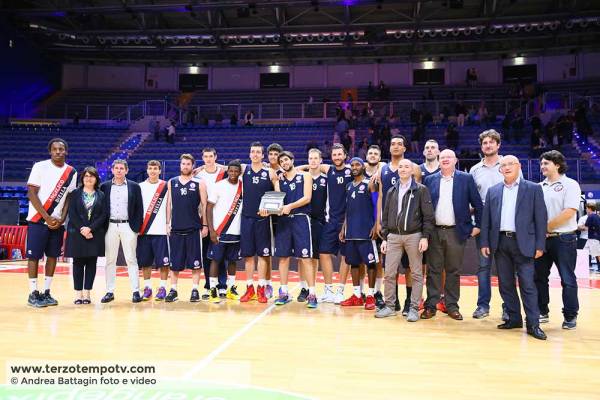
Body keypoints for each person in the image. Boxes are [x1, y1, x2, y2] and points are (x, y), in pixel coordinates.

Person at [480, 155, 548, 340]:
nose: (507, 167)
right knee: (505, 284)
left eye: (511, 164)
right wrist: (484, 242)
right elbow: (486, 220)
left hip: (524, 243)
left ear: (519, 166)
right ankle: (514, 318)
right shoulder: (493, 191)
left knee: (528, 284)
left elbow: (541, 219)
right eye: (503, 165)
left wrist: (540, 244)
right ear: (500, 169)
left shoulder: (533, 188)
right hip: (500, 242)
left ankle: (533, 324)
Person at [421, 149, 483, 321]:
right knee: (433, 270)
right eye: (442, 157)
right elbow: (424, 207)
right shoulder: (430, 179)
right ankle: (431, 305)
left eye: (449, 157)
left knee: (453, 271)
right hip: (434, 232)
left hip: (456, 232)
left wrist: (478, 226)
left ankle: (451, 306)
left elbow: (478, 204)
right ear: (438, 160)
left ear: (456, 160)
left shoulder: (466, 178)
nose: (445, 159)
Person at [376, 159, 434, 321]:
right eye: (400, 167)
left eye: (406, 167)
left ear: (412, 170)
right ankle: (390, 306)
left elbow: (428, 216)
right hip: (393, 237)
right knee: (389, 273)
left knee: (416, 274)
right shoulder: (392, 191)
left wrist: (425, 237)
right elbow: (386, 216)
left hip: (414, 236)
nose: (402, 169)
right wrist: (385, 238)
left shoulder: (421, 190)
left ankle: (414, 308)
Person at [26, 138, 78, 307]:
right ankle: (33, 293)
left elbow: (69, 197)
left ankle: (46, 292)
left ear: (66, 151)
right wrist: (47, 217)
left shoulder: (72, 172)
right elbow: (31, 193)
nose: (57, 152)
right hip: (37, 220)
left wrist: (62, 218)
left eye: (61, 149)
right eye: (54, 149)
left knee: (53, 256)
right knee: (34, 256)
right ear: (50, 151)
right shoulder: (39, 166)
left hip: (57, 223)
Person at [375, 135, 422, 315]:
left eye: (399, 144)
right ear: (389, 148)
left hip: (410, 229)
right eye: (393, 144)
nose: (396, 146)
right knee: (390, 269)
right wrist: (378, 221)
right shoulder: (383, 169)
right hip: (391, 228)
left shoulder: (413, 168)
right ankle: (392, 304)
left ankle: (410, 302)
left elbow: (418, 197)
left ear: (404, 148)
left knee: (410, 268)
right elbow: (380, 196)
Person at [299, 144, 351, 304]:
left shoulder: (351, 170)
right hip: (331, 220)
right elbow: (306, 167)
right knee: (323, 253)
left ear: (345, 155)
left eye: (339, 154)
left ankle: (340, 291)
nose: (337, 157)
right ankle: (328, 290)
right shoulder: (329, 170)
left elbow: (370, 168)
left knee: (346, 256)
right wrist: (305, 166)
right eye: (334, 155)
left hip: (348, 220)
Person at [535, 150, 581, 329]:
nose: (542, 166)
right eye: (541, 163)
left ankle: (570, 315)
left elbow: (569, 212)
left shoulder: (570, 184)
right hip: (542, 240)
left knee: (567, 279)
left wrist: (545, 228)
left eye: (546, 163)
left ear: (557, 165)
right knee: (539, 277)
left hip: (564, 238)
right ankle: (541, 311)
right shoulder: (539, 186)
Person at [469, 129, 508, 320]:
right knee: (483, 267)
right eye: (485, 142)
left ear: (498, 145)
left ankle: (508, 307)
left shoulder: (508, 164)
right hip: (483, 225)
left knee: (505, 268)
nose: (488, 145)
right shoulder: (474, 170)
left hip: (505, 224)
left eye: (492, 142)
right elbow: (471, 199)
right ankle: (483, 306)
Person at [272, 151, 317, 308]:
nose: (284, 163)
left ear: (292, 160)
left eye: (286, 160)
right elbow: (277, 203)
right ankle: (284, 292)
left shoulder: (305, 176)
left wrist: (290, 206)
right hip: (284, 221)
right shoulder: (279, 181)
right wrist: (269, 209)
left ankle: (312, 294)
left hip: (300, 219)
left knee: (305, 258)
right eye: (281, 162)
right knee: (283, 258)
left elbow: (307, 198)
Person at [164, 154, 208, 303]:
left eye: (188, 164)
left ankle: (195, 290)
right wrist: (167, 223)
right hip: (176, 228)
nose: (185, 166)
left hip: (194, 228)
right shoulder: (172, 182)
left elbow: (204, 205)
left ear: (192, 166)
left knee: (196, 263)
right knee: (174, 263)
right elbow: (168, 204)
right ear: (180, 165)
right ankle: (173, 290)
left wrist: (205, 225)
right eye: (183, 164)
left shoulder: (199, 183)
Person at [239, 142, 280, 303]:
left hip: (263, 219)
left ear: (263, 155)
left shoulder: (269, 172)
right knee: (248, 256)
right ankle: (249, 288)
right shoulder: (244, 169)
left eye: (258, 152)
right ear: (249, 154)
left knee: (263, 255)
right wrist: (201, 168)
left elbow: (277, 191)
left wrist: (270, 209)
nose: (255, 154)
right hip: (246, 218)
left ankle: (261, 287)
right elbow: (222, 167)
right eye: (253, 152)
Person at [100, 159, 144, 304]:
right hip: (110, 226)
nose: (119, 170)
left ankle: (135, 291)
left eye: (121, 168)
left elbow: (139, 208)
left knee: (131, 259)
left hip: (128, 226)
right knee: (110, 260)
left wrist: (136, 227)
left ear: (126, 170)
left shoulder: (134, 186)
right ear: (112, 170)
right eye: (116, 168)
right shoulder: (104, 186)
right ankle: (109, 291)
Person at [339, 157, 379, 310]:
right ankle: (356, 295)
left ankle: (371, 296)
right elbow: (348, 209)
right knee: (354, 263)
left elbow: (376, 205)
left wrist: (376, 225)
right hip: (351, 232)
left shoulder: (370, 183)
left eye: (357, 165)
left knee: (370, 263)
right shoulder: (348, 186)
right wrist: (344, 228)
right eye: (352, 165)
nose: (354, 167)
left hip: (366, 231)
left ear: (363, 167)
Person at [65, 167, 107, 305]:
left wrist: (90, 229)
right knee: (77, 264)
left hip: (94, 234)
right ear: (82, 178)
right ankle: (78, 294)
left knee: (91, 264)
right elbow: (72, 213)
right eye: (86, 176)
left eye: (92, 176)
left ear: (96, 179)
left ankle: (87, 293)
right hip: (77, 233)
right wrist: (83, 229)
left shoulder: (101, 195)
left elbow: (103, 215)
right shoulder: (75, 194)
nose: (89, 178)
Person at [206, 160, 244, 303]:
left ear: (240, 172)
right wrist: (211, 230)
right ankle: (213, 289)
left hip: (236, 230)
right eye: (231, 171)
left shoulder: (243, 186)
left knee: (233, 261)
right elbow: (209, 208)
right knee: (216, 260)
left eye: (236, 171)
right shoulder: (218, 186)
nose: (233, 173)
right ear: (227, 171)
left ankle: (231, 288)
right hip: (219, 231)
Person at [195, 148, 228, 300]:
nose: (208, 159)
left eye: (211, 156)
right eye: (205, 156)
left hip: (221, 219)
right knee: (206, 256)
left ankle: (222, 286)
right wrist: (203, 223)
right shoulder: (198, 175)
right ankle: (209, 286)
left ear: (216, 157)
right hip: (204, 219)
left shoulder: (224, 172)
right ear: (202, 158)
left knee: (220, 254)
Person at [137, 160, 170, 301]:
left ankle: (162, 287)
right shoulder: (140, 186)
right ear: (147, 170)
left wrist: (168, 223)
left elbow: (169, 206)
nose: (152, 171)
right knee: (145, 262)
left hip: (161, 230)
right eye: (150, 168)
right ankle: (148, 288)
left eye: (155, 168)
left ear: (160, 171)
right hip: (144, 230)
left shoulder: (166, 186)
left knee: (164, 263)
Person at [301, 148, 328, 302]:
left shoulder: (326, 179)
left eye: (316, 158)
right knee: (303, 256)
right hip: (303, 220)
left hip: (319, 221)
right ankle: (303, 287)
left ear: (321, 160)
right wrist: (305, 167)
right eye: (310, 158)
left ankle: (312, 287)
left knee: (314, 256)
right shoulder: (302, 177)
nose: (313, 161)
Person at [584, 203, 600, 268]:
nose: (586, 209)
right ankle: (584, 266)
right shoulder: (596, 216)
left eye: (586, 208)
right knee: (585, 251)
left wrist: (578, 227)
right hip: (593, 237)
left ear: (589, 209)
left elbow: (586, 226)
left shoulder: (590, 216)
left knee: (597, 253)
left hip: (593, 238)